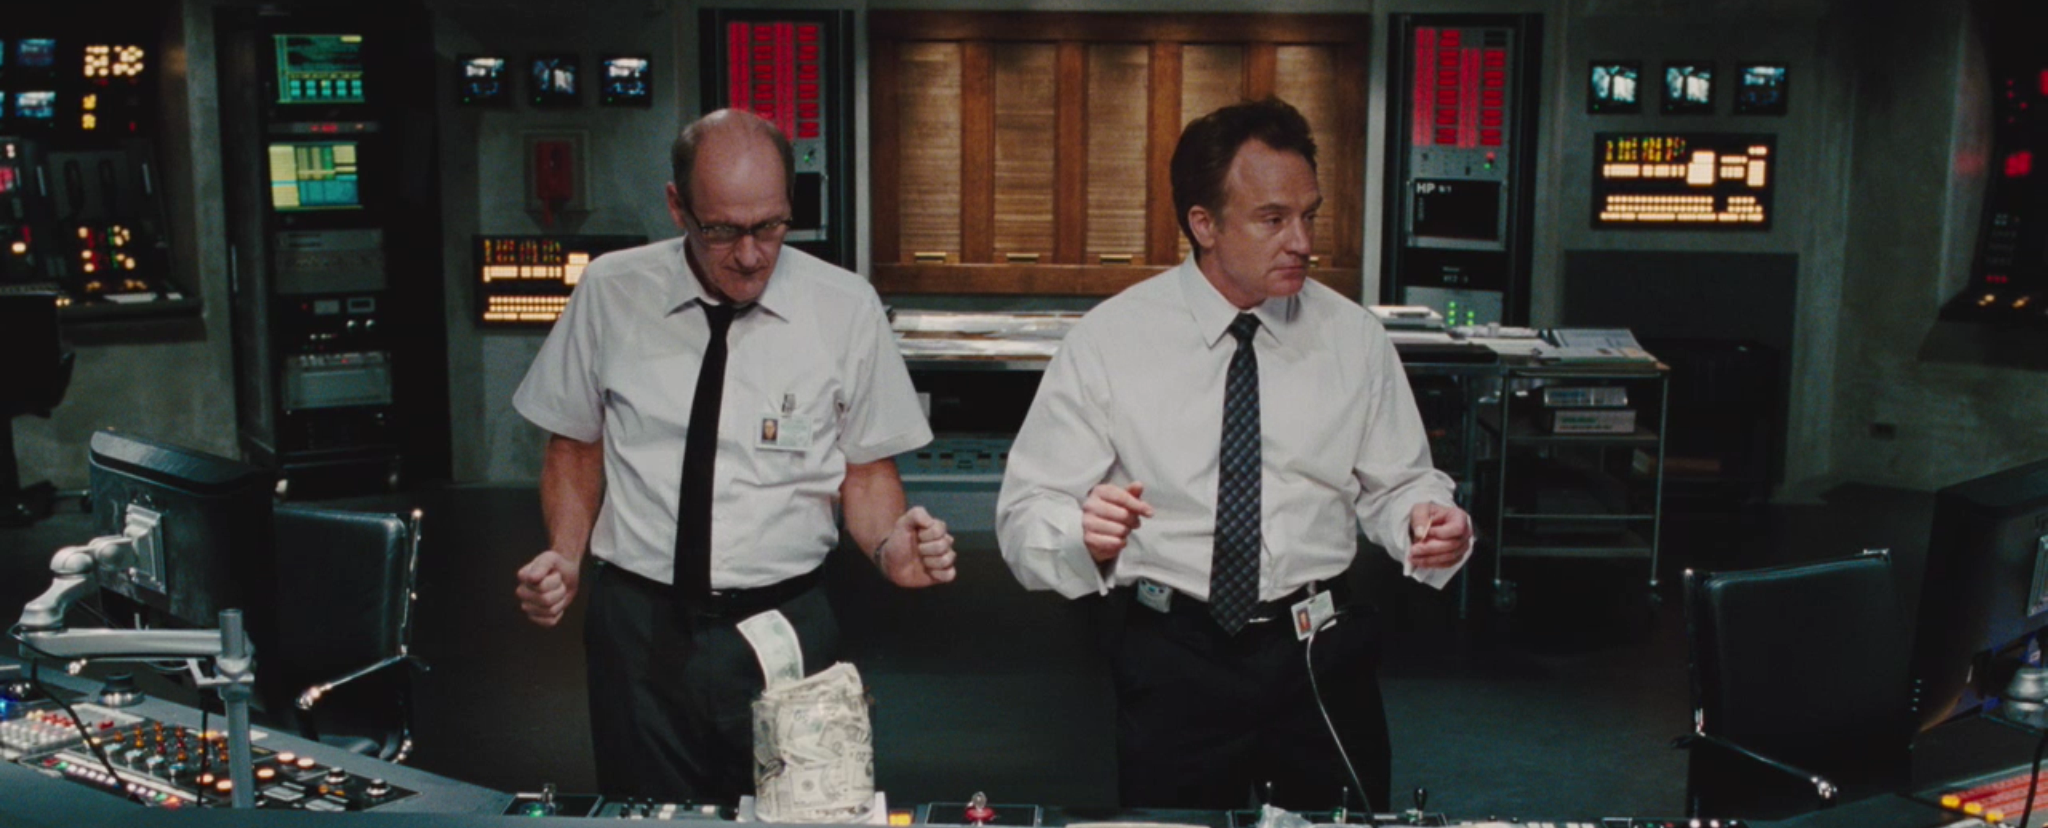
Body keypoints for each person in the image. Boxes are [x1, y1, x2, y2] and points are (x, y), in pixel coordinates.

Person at [996, 98, 1473, 813]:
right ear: (1204, 224)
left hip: (1319, 647)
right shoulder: (1110, 342)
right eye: (1272, 219)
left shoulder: (1354, 339)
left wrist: (1425, 519)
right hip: (1174, 652)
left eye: (1309, 216)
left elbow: (1399, 481)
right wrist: (1079, 535)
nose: (1302, 242)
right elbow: (1026, 512)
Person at [511, 109, 958, 804]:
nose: (750, 255)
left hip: (787, 623)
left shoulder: (845, 307)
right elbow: (574, 443)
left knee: (803, 814)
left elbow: (866, 471)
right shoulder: (611, 290)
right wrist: (565, 556)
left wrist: (887, 548)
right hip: (639, 625)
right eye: (722, 230)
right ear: (677, 206)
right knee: (648, 816)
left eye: (770, 227)